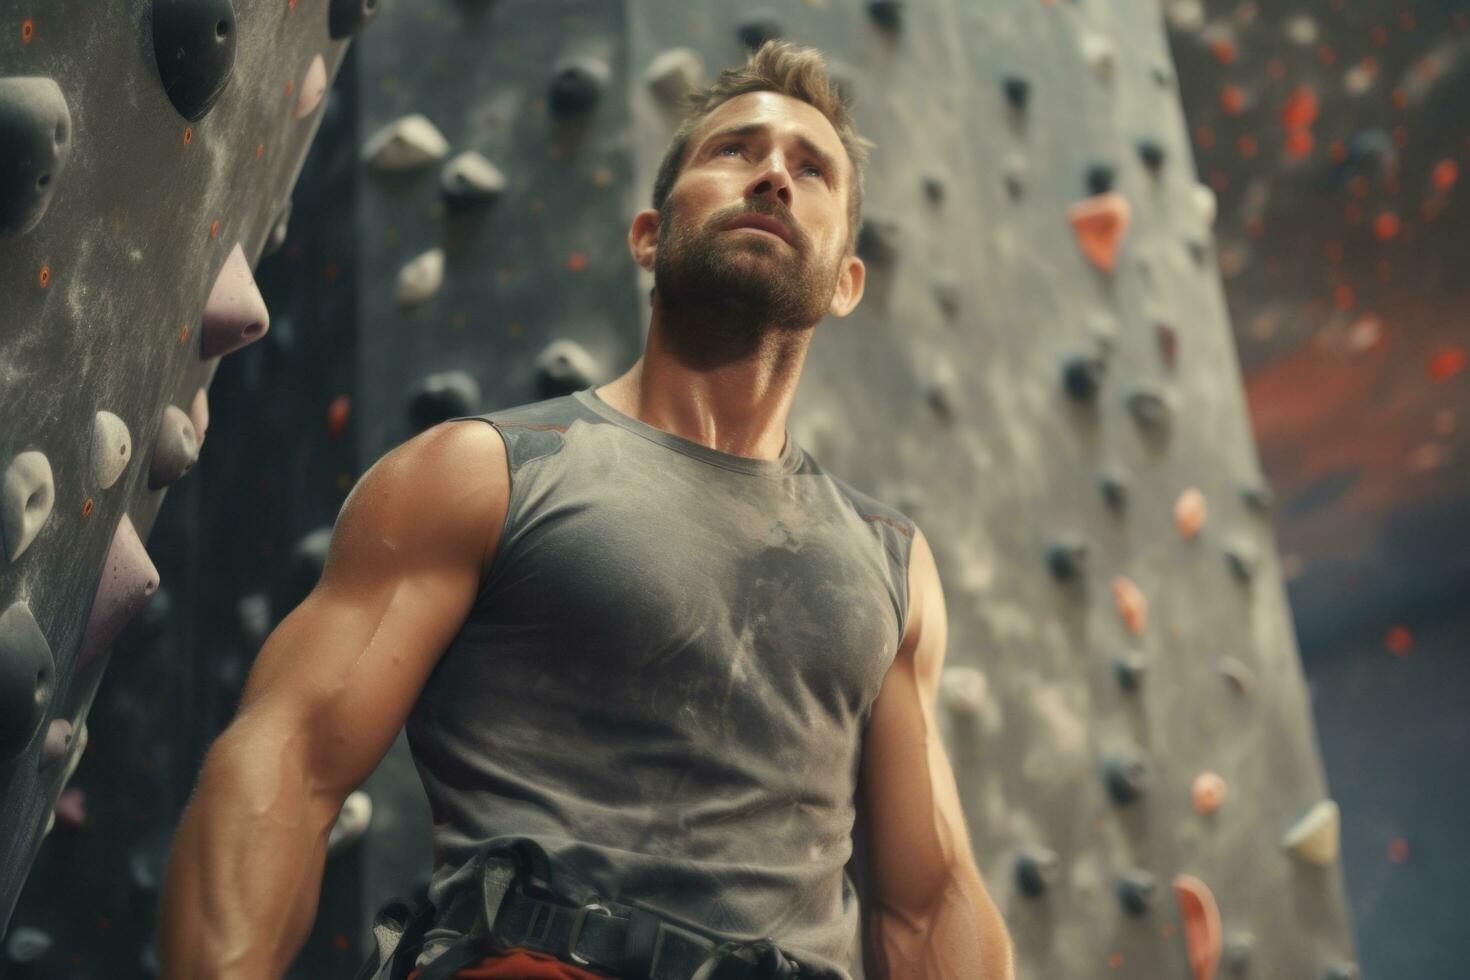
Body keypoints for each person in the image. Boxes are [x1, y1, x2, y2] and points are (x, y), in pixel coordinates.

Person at [158, 39, 1014, 980]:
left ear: (846, 282)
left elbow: (930, 900)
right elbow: (288, 761)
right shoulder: (480, 474)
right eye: (735, 150)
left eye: (812, 170)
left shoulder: (890, 562)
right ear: (649, 234)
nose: (773, 174)